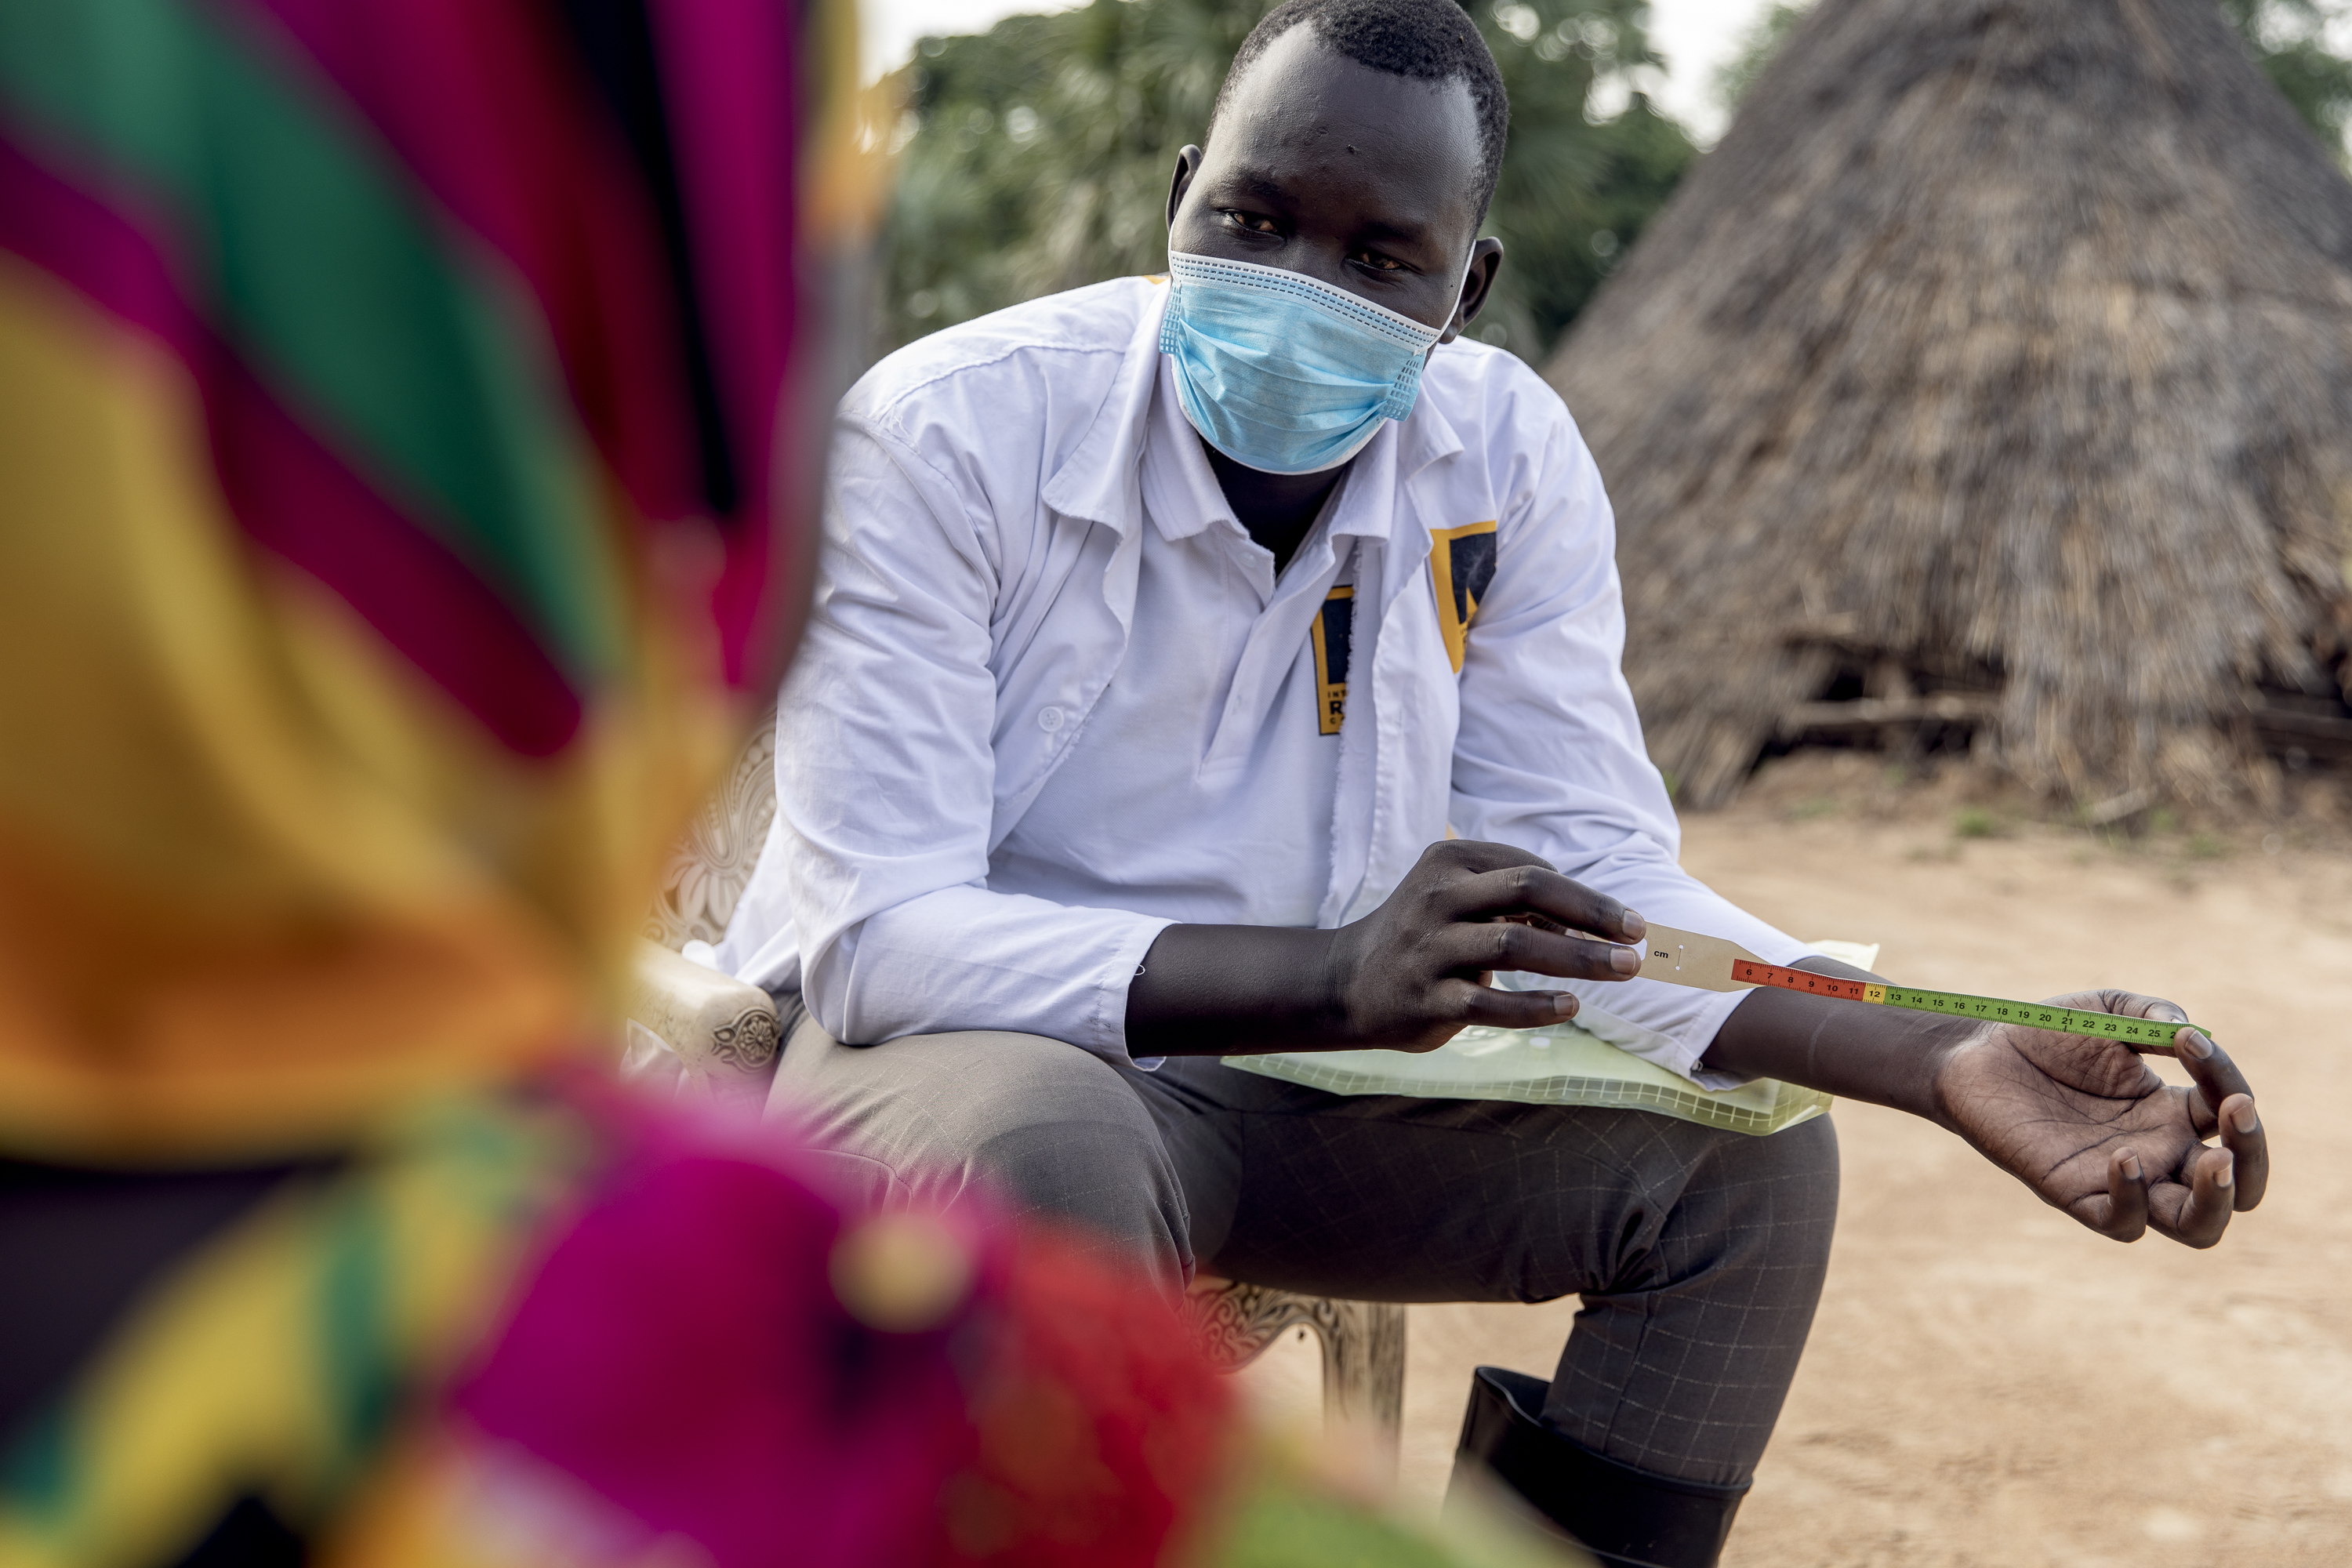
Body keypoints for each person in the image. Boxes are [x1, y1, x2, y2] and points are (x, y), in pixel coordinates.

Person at [715, 1, 2270, 1563]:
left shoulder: (1502, 460)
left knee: (1752, 1168)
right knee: (1047, 1140)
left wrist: (1936, 1050)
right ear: (1181, 195)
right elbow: (888, 938)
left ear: (1469, 284)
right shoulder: (943, 439)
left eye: (1381, 257)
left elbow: (1603, 902)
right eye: (1250, 219)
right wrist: (1330, 974)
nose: (1296, 288)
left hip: (1292, 1090)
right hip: (953, 1068)